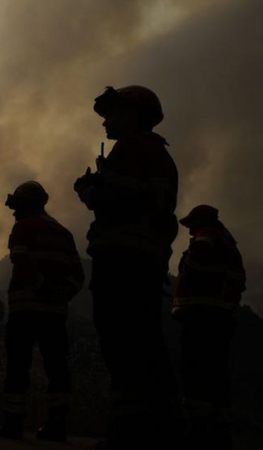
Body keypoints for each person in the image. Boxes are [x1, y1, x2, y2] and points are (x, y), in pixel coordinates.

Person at [74, 85, 179, 449]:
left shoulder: (134, 148)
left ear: (134, 115)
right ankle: (154, 427)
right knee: (142, 341)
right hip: (140, 263)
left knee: (124, 342)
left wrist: (90, 190)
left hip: (123, 263)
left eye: (112, 113)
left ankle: (133, 432)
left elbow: (121, 200)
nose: (106, 121)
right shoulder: (154, 153)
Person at [0, 181, 84, 442]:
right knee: (57, 366)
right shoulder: (64, 233)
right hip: (55, 313)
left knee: (18, 365)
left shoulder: (22, 228)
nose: (13, 212)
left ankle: (13, 424)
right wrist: (60, 293)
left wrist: (41, 287)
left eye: (16, 206)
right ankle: (57, 425)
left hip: (25, 309)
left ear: (27, 205)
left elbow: (21, 261)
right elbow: (78, 277)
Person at [173, 205, 246, 450]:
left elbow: (200, 256)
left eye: (191, 224)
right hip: (219, 316)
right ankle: (217, 433)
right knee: (216, 375)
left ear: (201, 221)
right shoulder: (227, 243)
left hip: (202, 317)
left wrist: (188, 262)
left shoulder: (208, 236)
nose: (190, 230)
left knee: (196, 372)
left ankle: (198, 432)